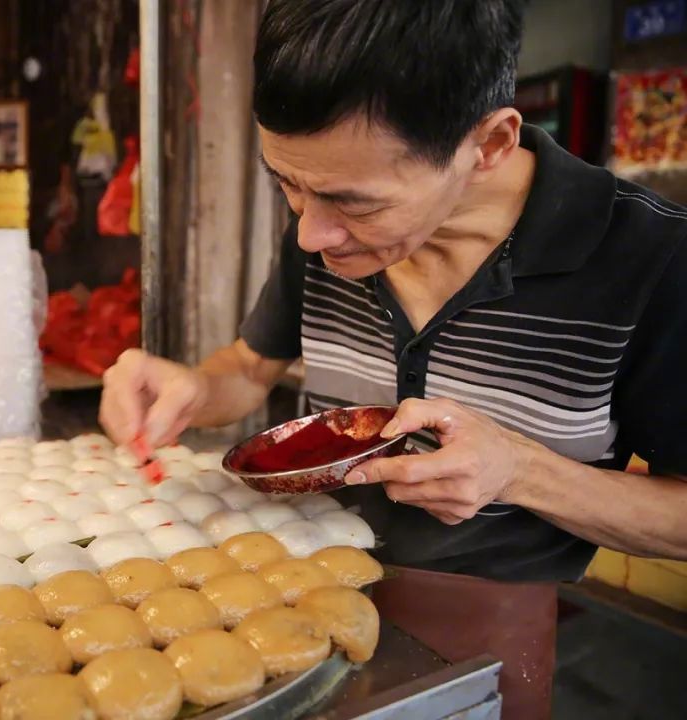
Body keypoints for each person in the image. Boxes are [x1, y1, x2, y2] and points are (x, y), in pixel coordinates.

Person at [99, 1, 687, 717]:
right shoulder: (324, 221)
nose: (311, 233)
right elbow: (251, 367)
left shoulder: (651, 260)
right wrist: (195, 385)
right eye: (286, 182)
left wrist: (520, 471)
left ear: (491, 144)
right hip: (290, 588)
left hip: (490, 627)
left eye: (356, 203)